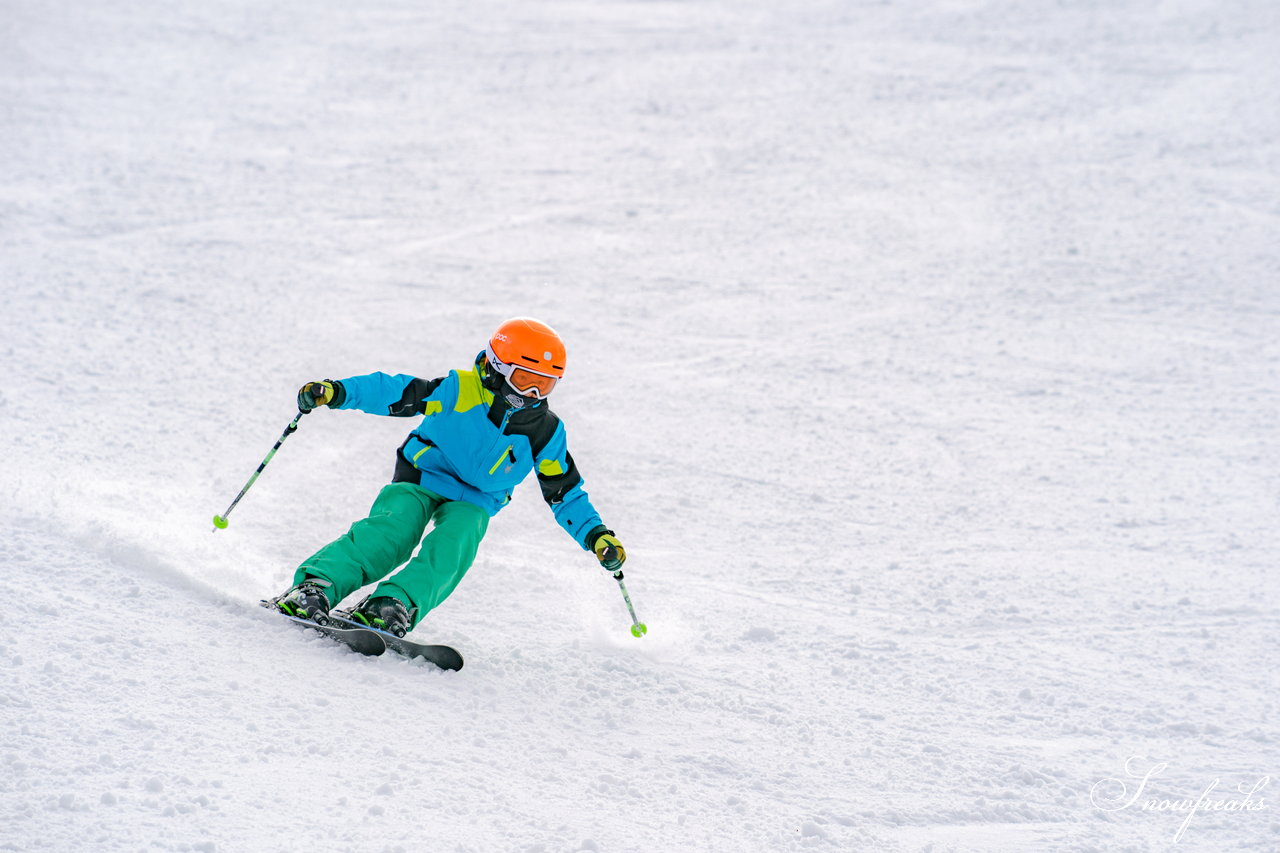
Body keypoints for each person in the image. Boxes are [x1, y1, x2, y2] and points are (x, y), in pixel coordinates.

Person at [269, 317, 625, 637]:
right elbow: (394, 391)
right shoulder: (459, 390)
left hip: (476, 500)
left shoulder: (545, 431)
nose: (531, 394)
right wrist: (338, 392)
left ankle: (394, 603)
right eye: (524, 380)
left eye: (544, 386)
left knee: (455, 545)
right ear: (497, 367)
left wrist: (596, 535)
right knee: (392, 532)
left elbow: (564, 491)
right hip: (423, 475)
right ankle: (316, 586)